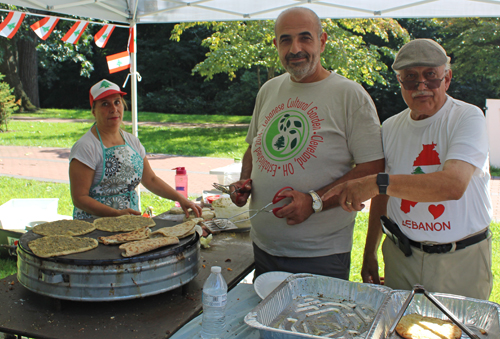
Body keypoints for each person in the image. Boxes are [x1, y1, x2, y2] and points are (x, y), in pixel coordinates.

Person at [322, 39, 492, 299]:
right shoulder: (390, 127)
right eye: (410, 78)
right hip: (401, 256)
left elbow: (452, 185)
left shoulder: (467, 117)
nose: (421, 86)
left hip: (460, 259)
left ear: (447, 79)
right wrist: (369, 253)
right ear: (400, 83)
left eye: (431, 76)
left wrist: (377, 182)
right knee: (397, 329)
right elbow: (383, 197)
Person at [230, 7, 385, 280]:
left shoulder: (350, 95)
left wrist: (315, 201)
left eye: (305, 38)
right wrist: (244, 182)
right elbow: (254, 147)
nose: (295, 48)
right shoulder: (269, 90)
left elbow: (373, 169)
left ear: (322, 41)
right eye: (286, 40)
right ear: (276, 44)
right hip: (264, 249)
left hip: (320, 256)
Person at [69, 79, 201, 219]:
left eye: (117, 102)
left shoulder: (132, 141)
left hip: (129, 222)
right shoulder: (86, 147)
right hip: (94, 226)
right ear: (93, 111)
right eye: (105, 104)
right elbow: (79, 198)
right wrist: (116, 214)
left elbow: (150, 179)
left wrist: (181, 199)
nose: (113, 109)